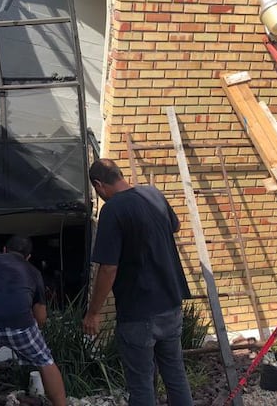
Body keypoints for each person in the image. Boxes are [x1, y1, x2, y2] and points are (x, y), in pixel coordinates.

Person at [83, 158, 193, 406]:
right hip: (170, 303)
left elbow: (108, 268)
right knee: (175, 375)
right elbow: (175, 227)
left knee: (141, 384)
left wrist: (93, 313)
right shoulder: (153, 194)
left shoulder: (112, 210)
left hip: (138, 311)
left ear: (99, 185)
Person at [0, 236, 66, 406]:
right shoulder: (33, 272)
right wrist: (33, 330)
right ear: (28, 257)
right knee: (45, 361)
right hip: (19, 323)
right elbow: (41, 317)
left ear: (4, 250)